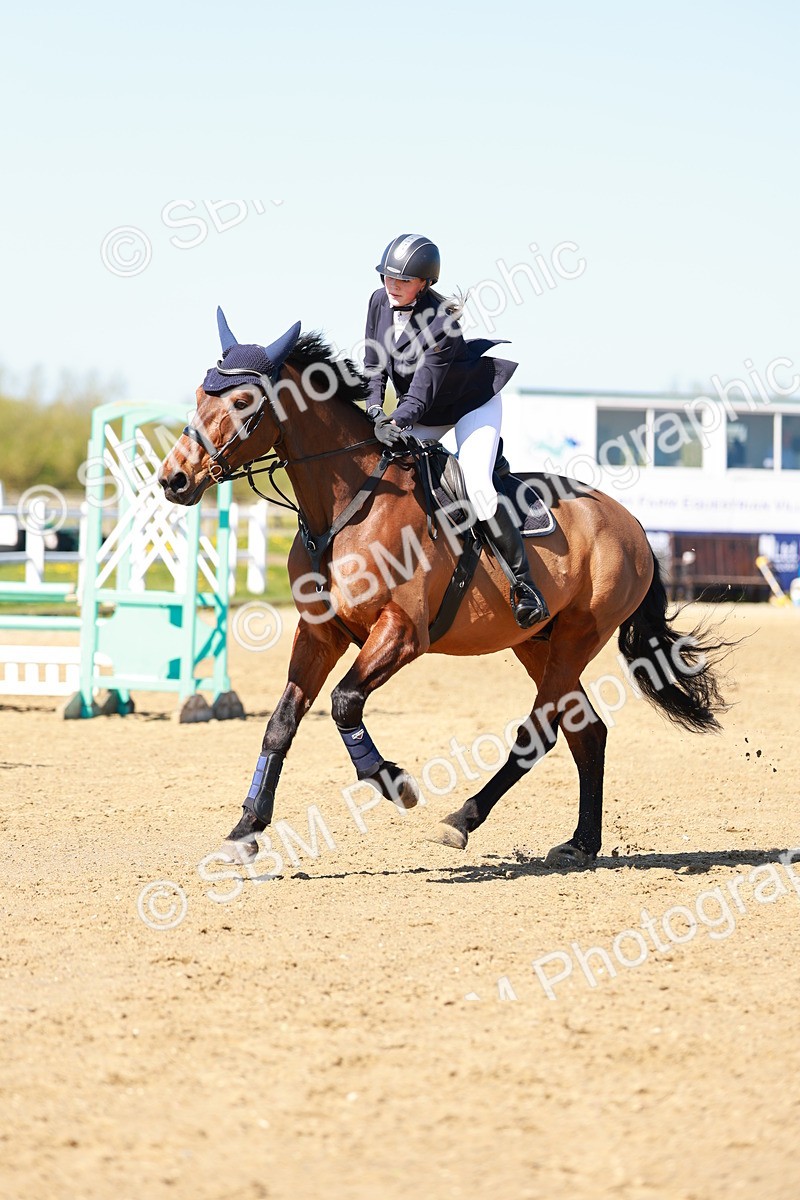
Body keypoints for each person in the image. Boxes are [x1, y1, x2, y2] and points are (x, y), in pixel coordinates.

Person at [363, 232, 550, 628]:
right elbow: (374, 364)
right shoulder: (379, 301)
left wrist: (395, 421)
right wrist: (375, 409)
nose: (392, 285)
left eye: (403, 280)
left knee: (477, 486)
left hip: (469, 405)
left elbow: (421, 392)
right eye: (387, 277)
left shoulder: (442, 322)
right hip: (421, 411)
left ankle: (524, 586)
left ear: (425, 282)